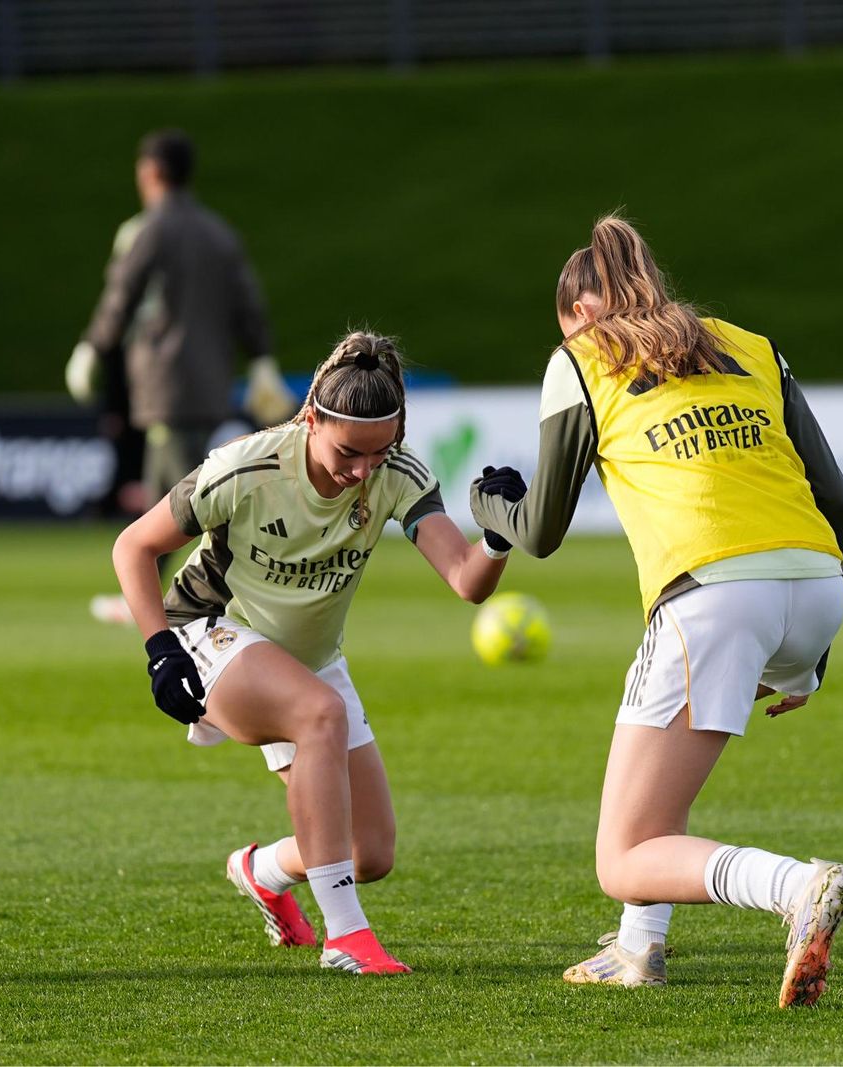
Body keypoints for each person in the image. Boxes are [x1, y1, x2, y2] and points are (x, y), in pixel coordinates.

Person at [470, 215, 843, 1008]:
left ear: (578, 314)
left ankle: (797, 886)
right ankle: (637, 947)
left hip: (713, 594)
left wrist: (489, 505)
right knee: (659, 788)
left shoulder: (580, 357)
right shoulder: (750, 343)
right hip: (818, 583)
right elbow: (838, 501)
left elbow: (540, 529)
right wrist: (812, 652)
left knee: (624, 852)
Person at [111, 331, 522, 975]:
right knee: (320, 714)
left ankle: (263, 870)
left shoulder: (398, 474)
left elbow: (467, 582)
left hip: (309, 659)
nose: (363, 472)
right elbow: (133, 546)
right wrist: (159, 649)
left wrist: (498, 538)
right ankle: (347, 940)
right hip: (211, 630)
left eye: (379, 453)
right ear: (311, 419)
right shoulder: (244, 467)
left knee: (369, 852)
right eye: (349, 453)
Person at [68, 128, 294, 510]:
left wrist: (92, 346)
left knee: (181, 512)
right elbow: (248, 306)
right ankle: (149, 568)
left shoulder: (151, 229)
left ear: (151, 172)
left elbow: (121, 295)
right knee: (164, 511)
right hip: (209, 386)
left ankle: (205, 568)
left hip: (164, 387)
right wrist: (261, 361)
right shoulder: (220, 234)